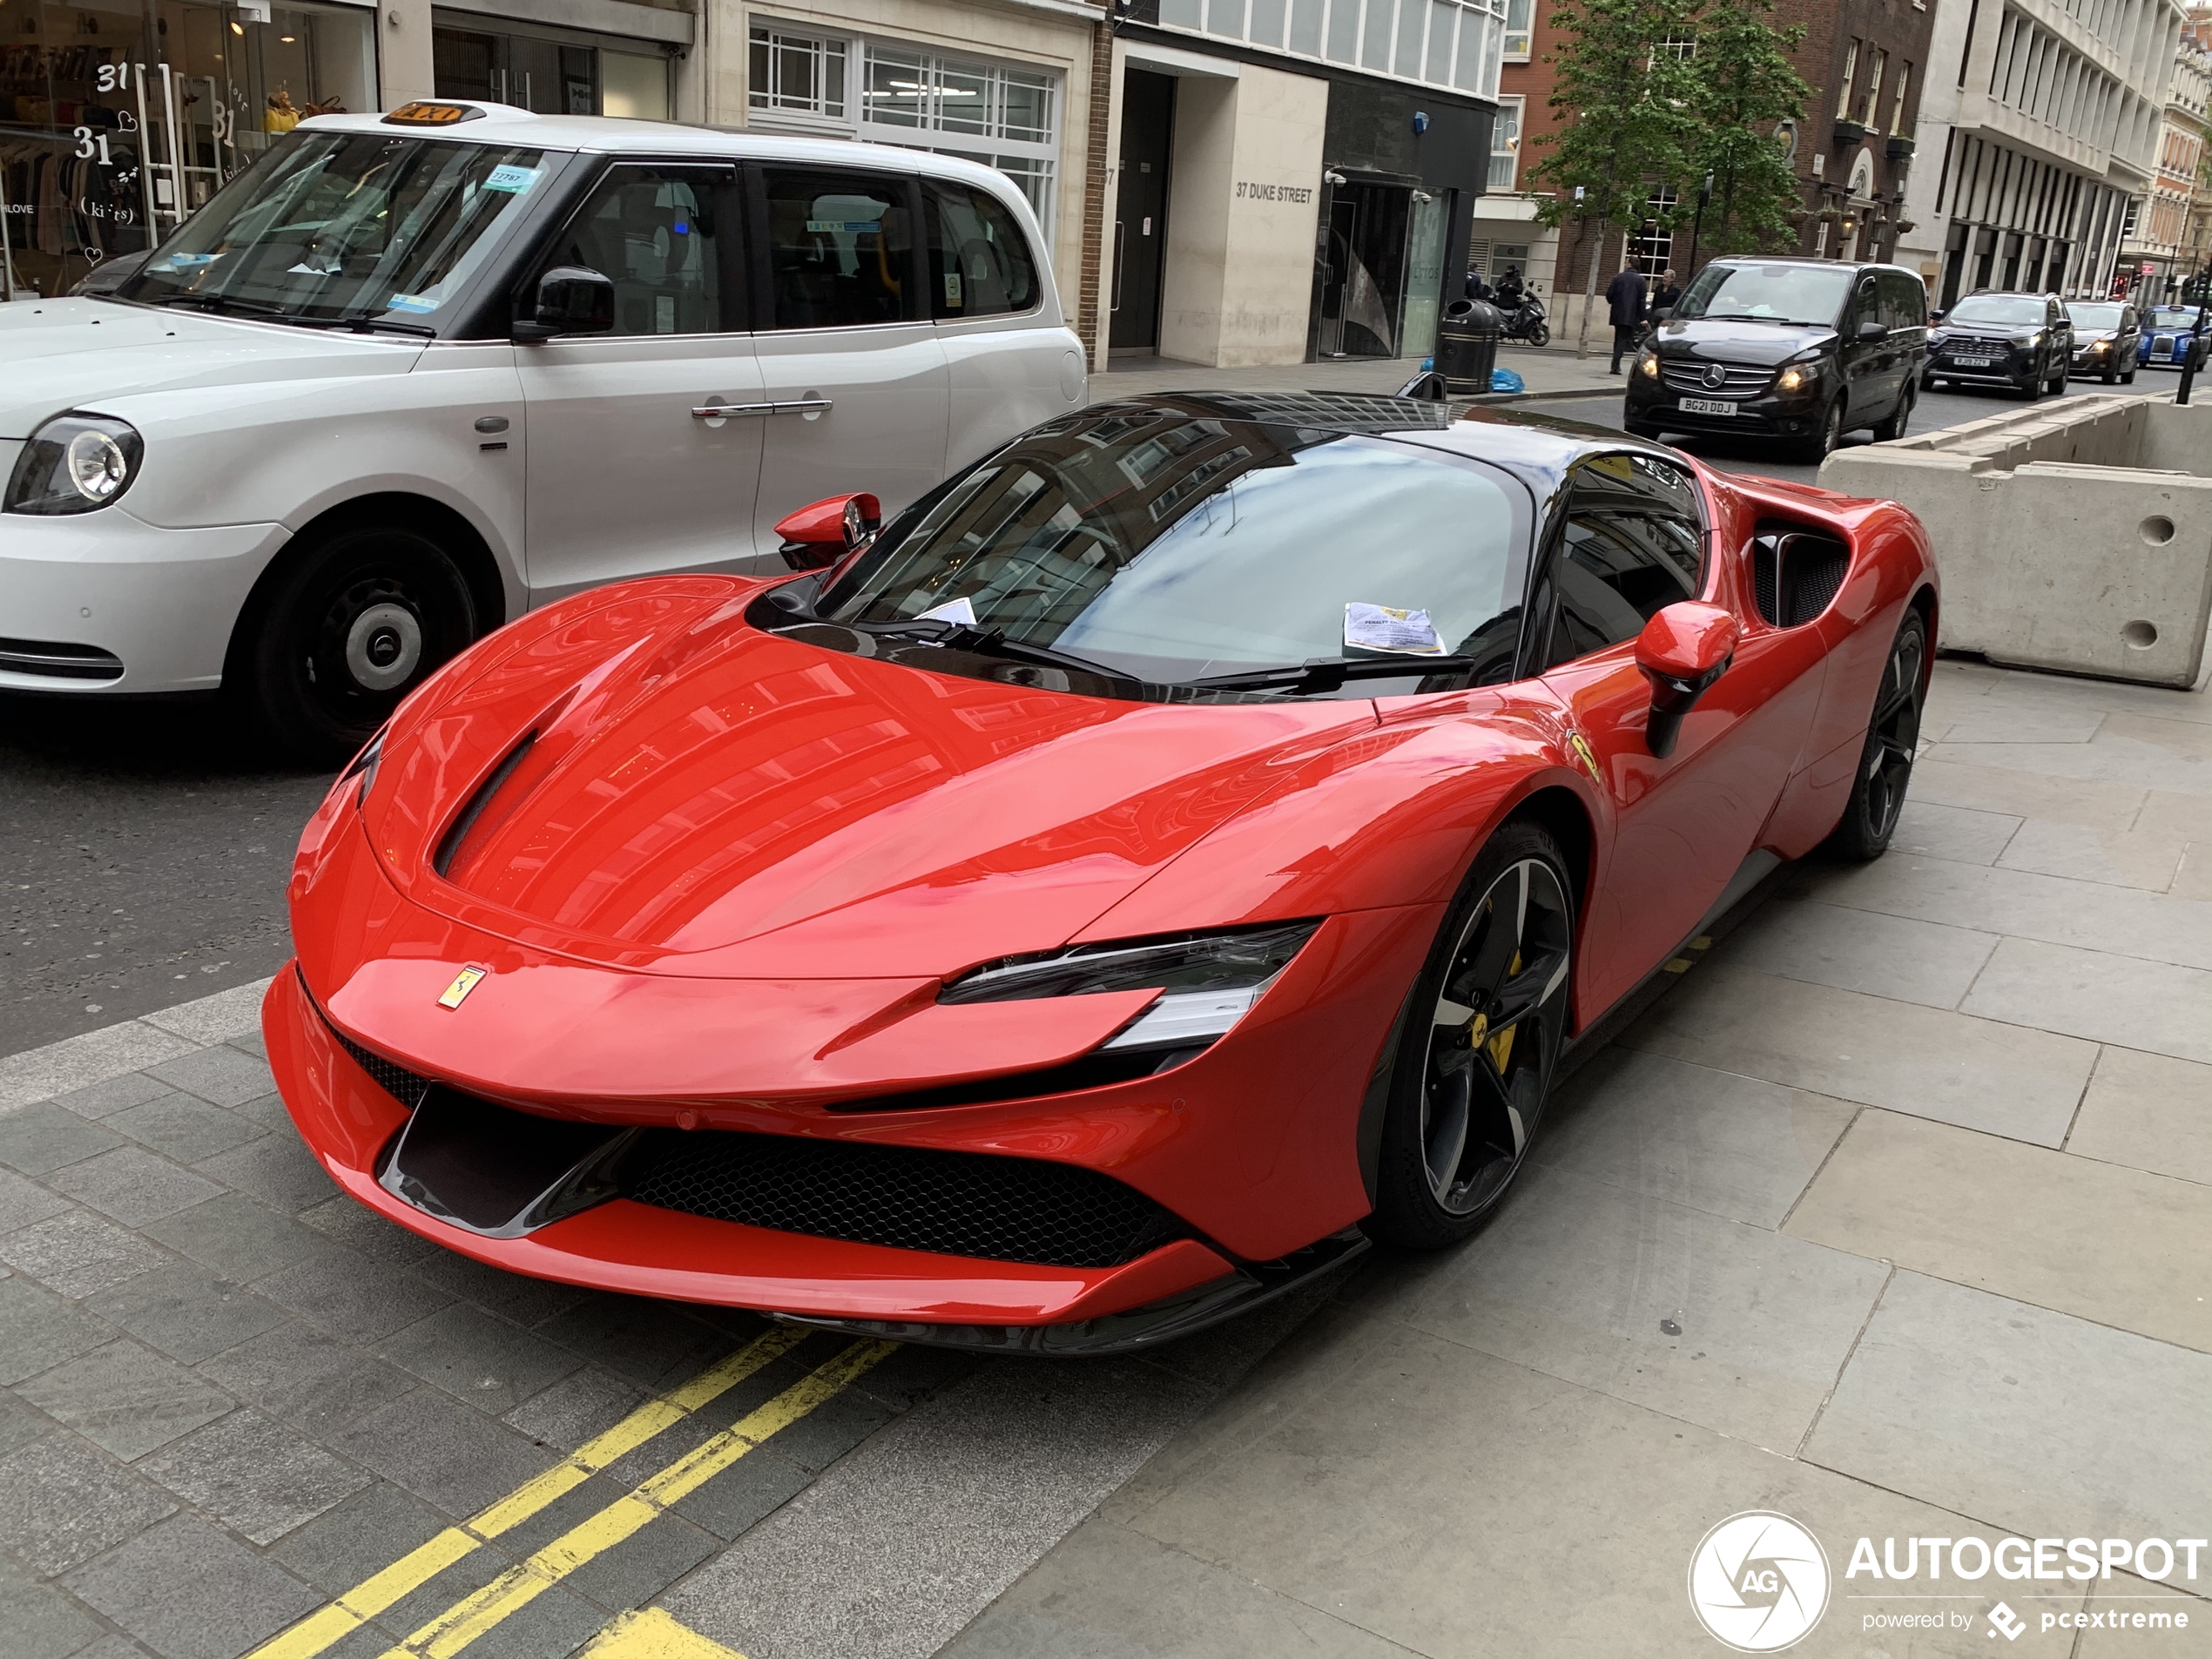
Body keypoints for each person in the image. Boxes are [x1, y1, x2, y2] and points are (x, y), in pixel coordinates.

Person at [1607, 264, 1648, 373]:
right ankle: (1615, 365)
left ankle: (1615, 363)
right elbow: (1641, 300)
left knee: (1619, 338)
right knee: (1623, 339)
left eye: (1626, 262)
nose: (1625, 264)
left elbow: (1609, 295)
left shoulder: (1618, 277)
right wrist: (1643, 317)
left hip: (1617, 313)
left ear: (1630, 264)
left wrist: (1615, 303)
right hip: (1632, 314)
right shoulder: (1641, 280)